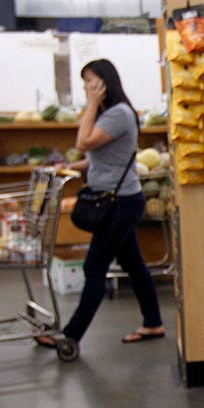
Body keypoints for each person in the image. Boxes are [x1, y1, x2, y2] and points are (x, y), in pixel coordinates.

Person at [36, 59, 164, 354]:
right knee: (134, 264)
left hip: (117, 203)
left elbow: (84, 142)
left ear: (104, 83)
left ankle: (70, 336)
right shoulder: (114, 113)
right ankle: (154, 322)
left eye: (89, 82)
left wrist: (92, 104)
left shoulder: (118, 114)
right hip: (120, 200)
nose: (85, 88)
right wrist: (70, 167)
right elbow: (99, 157)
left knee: (94, 269)